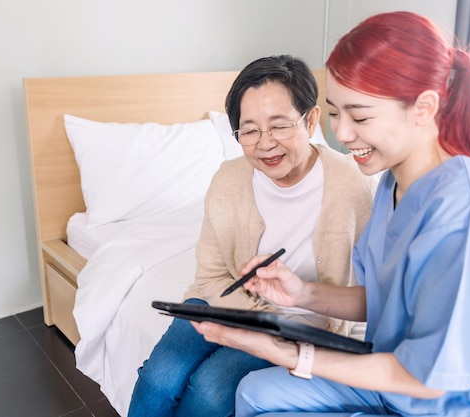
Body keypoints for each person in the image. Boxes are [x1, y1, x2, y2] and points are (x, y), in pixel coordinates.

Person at [192, 11, 470, 417]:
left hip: (453, 401)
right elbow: (387, 300)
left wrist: (285, 352)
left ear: (423, 108)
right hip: (394, 380)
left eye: (359, 116)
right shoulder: (393, 184)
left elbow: (429, 378)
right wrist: (302, 293)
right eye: (335, 113)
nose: (341, 134)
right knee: (256, 392)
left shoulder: (466, 215)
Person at [127, 55, 375, 417]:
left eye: (279, 126)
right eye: (250, 130)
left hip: (299, 324)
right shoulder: (227, 180)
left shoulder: (356, 186)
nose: (265, 143)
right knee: (158, 378)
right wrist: (256, 315)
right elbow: (210, 276)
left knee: (212, 389)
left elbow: (371, 296)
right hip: (220, 301)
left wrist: (274, 330)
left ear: (310, 120)